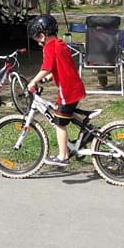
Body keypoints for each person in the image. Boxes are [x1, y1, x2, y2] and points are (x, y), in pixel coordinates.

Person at [26, 14, 87, 166]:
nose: (38, 42)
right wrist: (48, 78)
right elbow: (60, 67)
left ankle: (62, 156)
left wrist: (34, 81)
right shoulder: (60, 44)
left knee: (59, 122)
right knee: (64, 114)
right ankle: (84, 137)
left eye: (37, 38)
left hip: (68, 90)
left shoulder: (49, 47)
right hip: (75, 87)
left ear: (42, 35)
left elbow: (46, 68)